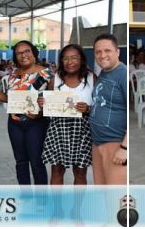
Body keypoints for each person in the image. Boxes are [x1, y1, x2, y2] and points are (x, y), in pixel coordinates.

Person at [0, 41, 54, 185]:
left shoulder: (47, 74)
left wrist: (41, 113)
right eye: (19, 53)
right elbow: (10, 98)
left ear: (34, 53)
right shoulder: (12, 76)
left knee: (36, 162)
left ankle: (41, 201)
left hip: (37, 124)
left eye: (27, 51)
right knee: (20, 162)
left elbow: (54, 100)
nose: (23, 55)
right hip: (14, 123)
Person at [41, 44, 95, 185]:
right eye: (65, 58)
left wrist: (89, 109)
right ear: (61, 61)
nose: (70, 62)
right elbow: (47, 105)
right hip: (59, 129)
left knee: (80, 172)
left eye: (74, 58)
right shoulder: (55, 79)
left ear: (82, 59)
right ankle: (57, 206)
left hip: (83, 129)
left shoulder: (91, 78)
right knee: (57, 170)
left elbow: (101, 105)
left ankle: (76, 207)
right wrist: (43, 102)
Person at [89, 34, 127, 185]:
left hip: (116, 143)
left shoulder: (122, 74)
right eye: (98, 52)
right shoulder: (104, 72)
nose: (102, 55)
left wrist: (124, 147)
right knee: (102, 190)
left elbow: (132, 114)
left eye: (107, 50)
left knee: (116, 196)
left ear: (117, 52)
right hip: (98, 142)